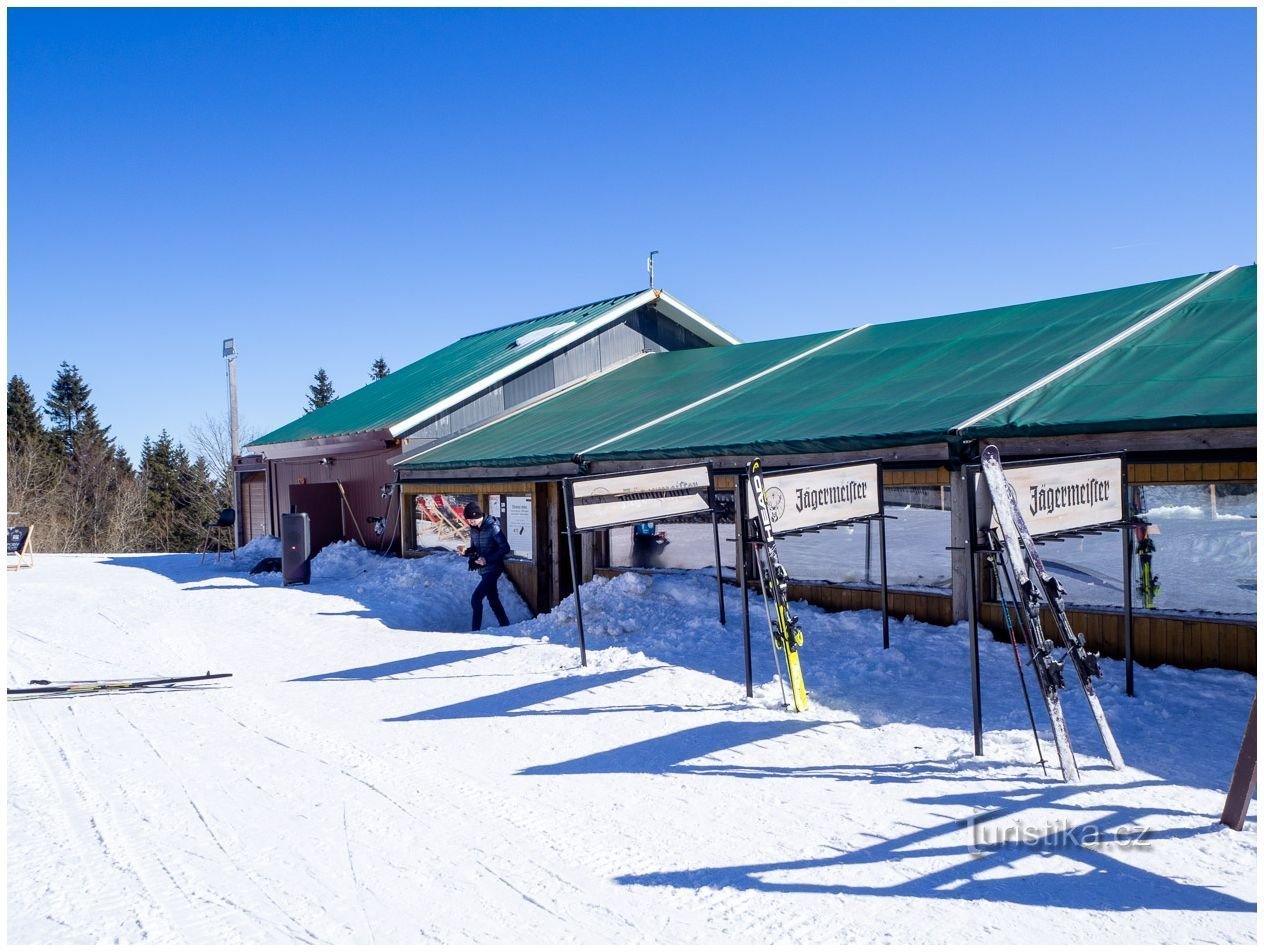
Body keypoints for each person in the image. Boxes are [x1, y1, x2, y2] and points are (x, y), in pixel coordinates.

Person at [456, 502, 511, 630]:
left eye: (471, 519)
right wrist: (465, 552)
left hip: (494, 568)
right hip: (483, 569)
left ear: (478, 516)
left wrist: (487, 559)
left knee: (476, 598)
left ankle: (475, 631)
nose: (469, 522)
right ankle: (506, 626)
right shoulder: (474, 529)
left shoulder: (492, 527)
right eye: (467, 519)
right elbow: (475, 549)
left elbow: (505, 547)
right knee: (493, 599)